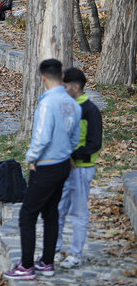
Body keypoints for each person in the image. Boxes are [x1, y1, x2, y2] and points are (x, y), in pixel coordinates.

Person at [3, 59, 81, 281]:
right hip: (63, 164)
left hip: (46, 164)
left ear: (43, 77)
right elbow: (75, 136)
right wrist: (68, 152)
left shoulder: (47, 104)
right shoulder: (73, 104)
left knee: (27, 214)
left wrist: (31, 157)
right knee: (51, 213)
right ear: (61, 76)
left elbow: (42, 136)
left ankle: (27, 265)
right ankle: (47, 262)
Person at [56, 68, 103, 269]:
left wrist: (74, 157)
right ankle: (54, 250)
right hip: (62, 168)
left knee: (78, 213)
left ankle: (75, 254)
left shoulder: (91, 110)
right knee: (57, 210)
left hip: (81, 169)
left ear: (75, 87)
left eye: (64, 86)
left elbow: (94, 143)